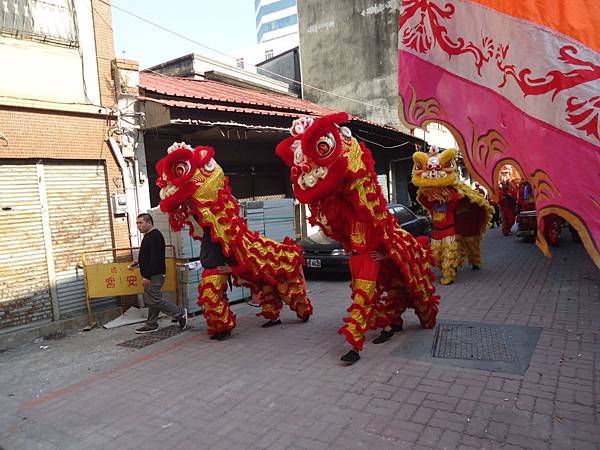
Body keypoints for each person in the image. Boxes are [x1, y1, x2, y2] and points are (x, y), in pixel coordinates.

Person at [131, 213, 187, 334]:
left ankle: (180, 313)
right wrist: (139, 262)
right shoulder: (148, 236)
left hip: (154, 275)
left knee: (154, 300)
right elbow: (149, 256)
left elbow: (156, 258)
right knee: (152, 299)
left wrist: (147, 276)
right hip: (151, 274)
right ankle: (151, 324)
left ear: (149, 223)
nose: (138, 226)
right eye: (137, 223)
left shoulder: (155, 236)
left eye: (140, 223)